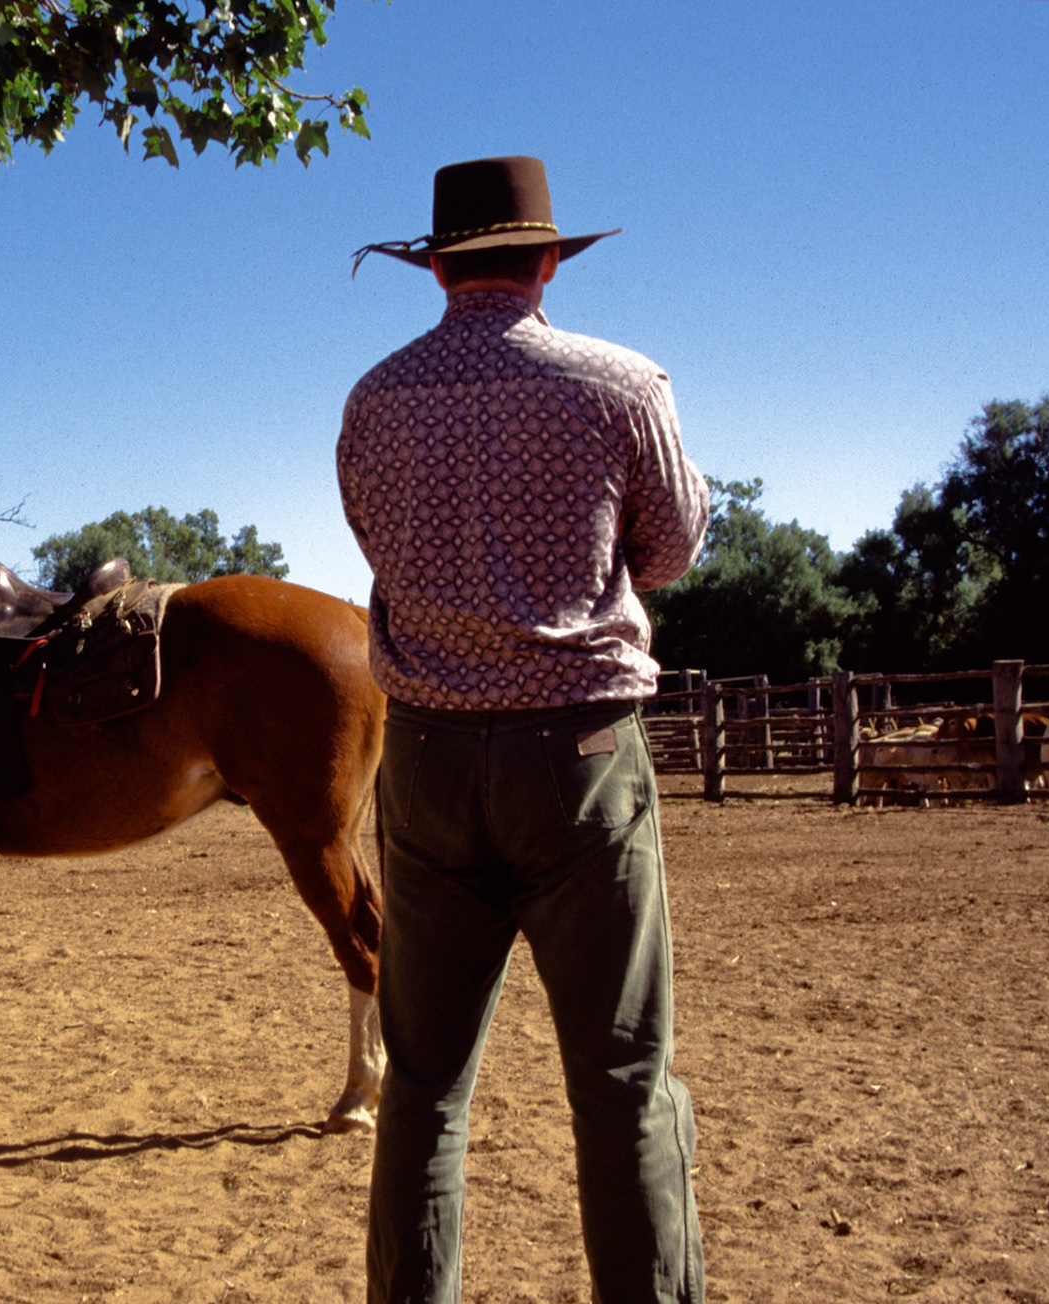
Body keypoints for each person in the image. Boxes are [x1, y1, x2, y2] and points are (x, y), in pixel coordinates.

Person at [337, 156, 709, 1304]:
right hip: (581, 759)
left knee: (426, 1089)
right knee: (622, 1082)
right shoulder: (620, 383)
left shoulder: (374, 399)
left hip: (431, 758)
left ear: (439, 266)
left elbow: (376, 545)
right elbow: (673, 546)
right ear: (548, 260)